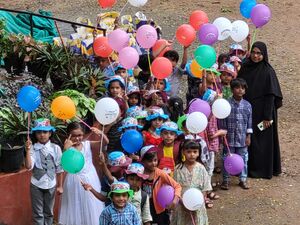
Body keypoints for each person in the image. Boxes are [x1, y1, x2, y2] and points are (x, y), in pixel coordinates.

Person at [238, 41, 283, 179]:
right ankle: (247, 167)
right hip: (247, 110)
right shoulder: (245, 67)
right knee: (248, 138)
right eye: (254, 52)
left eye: (259, 53)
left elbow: (271, 96)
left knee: (262, 140)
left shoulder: (268, 71)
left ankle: (263, 169)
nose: (256, 56)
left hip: (263, 113)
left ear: (264, 55)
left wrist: (267, 116)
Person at [59, 122, 106, 225]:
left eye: (79, 135)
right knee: (75, 205)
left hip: (90, 177)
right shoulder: (68, 149)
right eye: (74, 135)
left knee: (91, 203)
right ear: (69, 135)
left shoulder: (87, 144)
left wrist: (101, 134)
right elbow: (62, 165)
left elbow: (105, 143)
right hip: (74, 180)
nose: (77, 138)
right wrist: (65, 149)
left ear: (83, 134)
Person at [25, 118, 63, 225]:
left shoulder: (56, 148)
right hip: (36, 185)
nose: (42, 135)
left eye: (45, 132)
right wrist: (27, 151)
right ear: (35, 134)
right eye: (39, 132)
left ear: (50, 133)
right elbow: (28, 166)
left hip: (51, 184)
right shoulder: (33, 148)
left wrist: (60, 186)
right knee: (38, 213)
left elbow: (60, 169)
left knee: (49, 212)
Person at [219, 78, 252, 190]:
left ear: (245, 90)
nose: (240, 90)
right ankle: (226, 180)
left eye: (242, 88)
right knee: (227, 159)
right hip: (229, 138)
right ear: (232, 89)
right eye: (237, 88)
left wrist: (248, 136)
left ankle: (243, 179)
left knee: (243, 159)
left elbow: (249, 122)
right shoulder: (226, 104)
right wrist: (223, 135)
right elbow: (222, 121)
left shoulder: (247, 105)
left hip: (242, 138)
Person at [171, 140, 212, 225]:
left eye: (195, 152)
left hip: (198, 203)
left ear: (198, 153)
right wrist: (183, 203)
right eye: (188, 152)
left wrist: (199, 201)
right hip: (182, 204)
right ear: (183, 152)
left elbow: (205, 188)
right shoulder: (178, 169)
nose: (192, 154)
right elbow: (175, 187)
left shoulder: (201, 168)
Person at [140, 145, 182, 225]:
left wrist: (175, 199)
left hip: (159, 208)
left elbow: (177, 186)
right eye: (150, 161)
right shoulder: (139, 174)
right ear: (143, 161)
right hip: (144, 206)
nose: (153, 163)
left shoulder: (160, 173)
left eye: (155, 160)